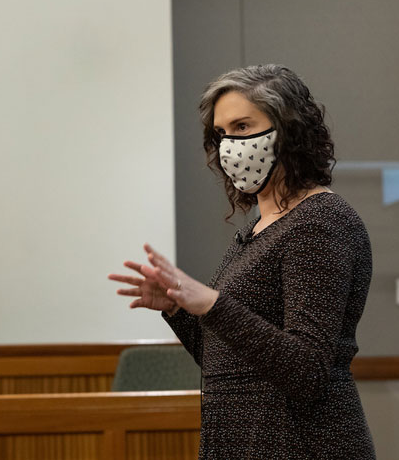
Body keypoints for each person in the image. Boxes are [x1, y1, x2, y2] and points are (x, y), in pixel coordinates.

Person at [108, 64, 376, 459]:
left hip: (301, 444)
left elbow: (307, 371)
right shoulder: (258, 228)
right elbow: (228, 361)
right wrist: (178, 309)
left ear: (289, 130)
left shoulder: (320, 221)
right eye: (221, 134)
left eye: (242, 127)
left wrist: (213, 304)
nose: (229, 145)